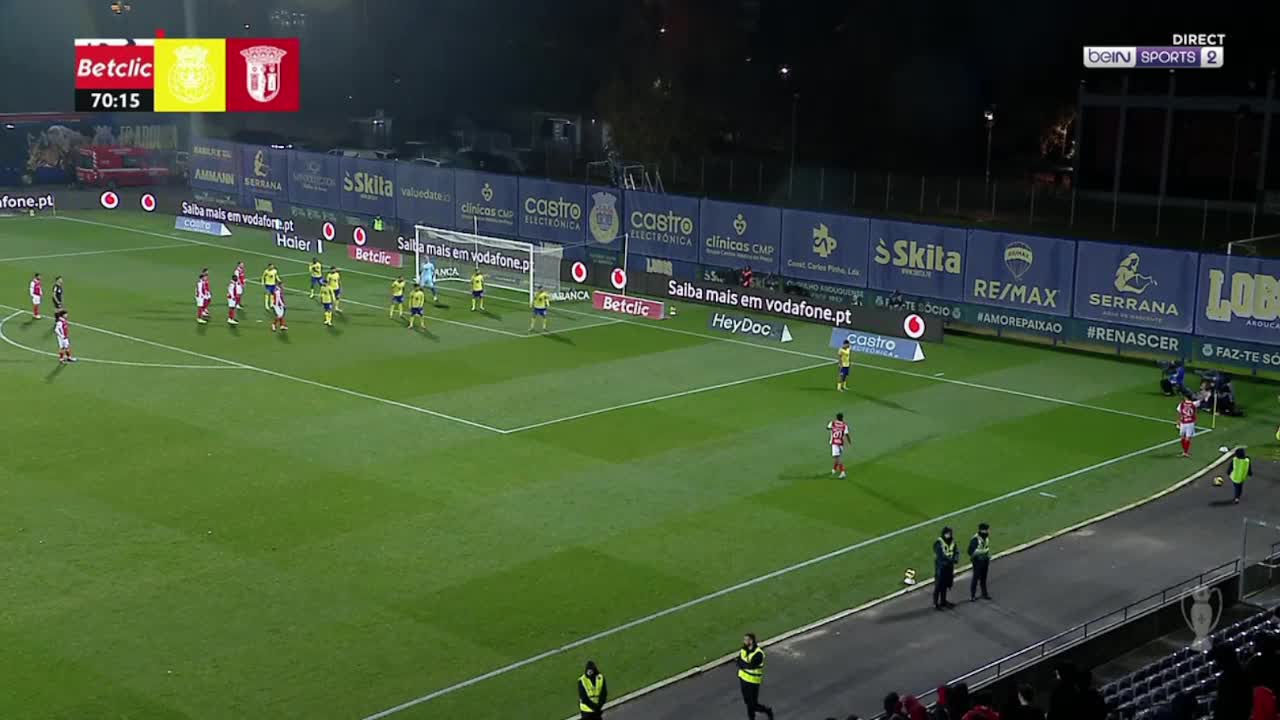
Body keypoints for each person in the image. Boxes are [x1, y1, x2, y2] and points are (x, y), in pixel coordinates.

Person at [736, 633, 774, 720]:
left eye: (746, 640)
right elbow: (738, 662)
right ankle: (767, 710)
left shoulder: (758, 654)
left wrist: (742, 664)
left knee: (751, 704)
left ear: (751, 641)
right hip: (743, 679)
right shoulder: (743, 650)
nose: (744, 641)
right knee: (748, 702)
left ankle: (761, 713)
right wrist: (743, 664)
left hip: (753, 681)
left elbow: (750, 666)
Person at [1209, 644, 1251, 720]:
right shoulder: (1241, 672)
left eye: (1217, 659)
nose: (1215, 662)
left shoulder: (1229, 677)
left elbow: (1224, 704)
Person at [933, 527, 959, 610]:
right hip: (941, 567)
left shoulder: (952, 542)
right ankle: (935, 603)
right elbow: (940, 554)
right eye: (947, 533)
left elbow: (956, 551)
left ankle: (943, 601)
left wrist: (956, 558)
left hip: (949, 567)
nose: (949, 535)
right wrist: (950, 560)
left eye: (950, 533)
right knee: (938, 585)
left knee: (945, 584)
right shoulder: (939, 542)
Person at [968, 522, 992, 601]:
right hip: (977, 561)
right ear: (983, 530)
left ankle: (984, 594)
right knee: (975, 578)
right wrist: (981, 552)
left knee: (983, 578)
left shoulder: (986, 537)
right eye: (987, 529)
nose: (989, 530)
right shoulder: (975, 539)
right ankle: (972, 596)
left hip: (985, 560)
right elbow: (970, 551)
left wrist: (987, 555)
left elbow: (986, 547)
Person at [828, 412, 850, 479]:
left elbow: (828, 428)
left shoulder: (832, 423)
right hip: (841, 443)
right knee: (837, 457)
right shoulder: (844, 425)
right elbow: (847, 434)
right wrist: (849, 441)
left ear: (836, 417)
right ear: (842, 418)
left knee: (837, 458)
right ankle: (834, 469)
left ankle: (842, 472)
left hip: (834, 442)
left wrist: (834, 428)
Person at [1177, 393, 1197, 458]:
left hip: (1183, 422)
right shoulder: (1194, 404)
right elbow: (1195, 413)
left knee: (1182, 437)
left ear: (1186, 397)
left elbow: (1179, 412)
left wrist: (1178, 420)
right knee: (1188, 438)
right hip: (1190, 423)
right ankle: (1185, 452)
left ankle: (1184, 451)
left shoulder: (1181, 404)